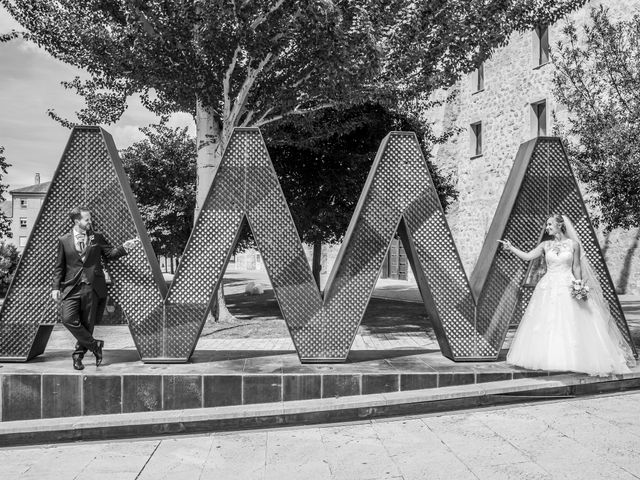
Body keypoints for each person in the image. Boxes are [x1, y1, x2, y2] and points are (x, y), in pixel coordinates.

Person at [501, 214, 635, 376]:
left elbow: (577, 267)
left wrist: (579, 286)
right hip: (548, 287)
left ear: (560, 225)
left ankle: (577, 358)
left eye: (550, 224)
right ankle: (551, 358)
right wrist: (511, 248)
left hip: (567, 285)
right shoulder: (545, 245)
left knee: (572, 320)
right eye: (547, 225)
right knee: (548, 322)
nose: (547, 227)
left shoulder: (574, 245)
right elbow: (528, 256)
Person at [52, 207, 139, 370]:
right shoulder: (63, 240)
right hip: (71, 288)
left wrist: (125, 247)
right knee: (67, 319)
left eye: (90, 219)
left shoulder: (96, 237)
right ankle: (95, 345)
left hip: (92, 287)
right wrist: (55, 287)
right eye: (87, 219)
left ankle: (78, 357)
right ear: (77, 221)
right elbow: (60, 266)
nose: (90, 222)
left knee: (87, 325)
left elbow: (110, 254)